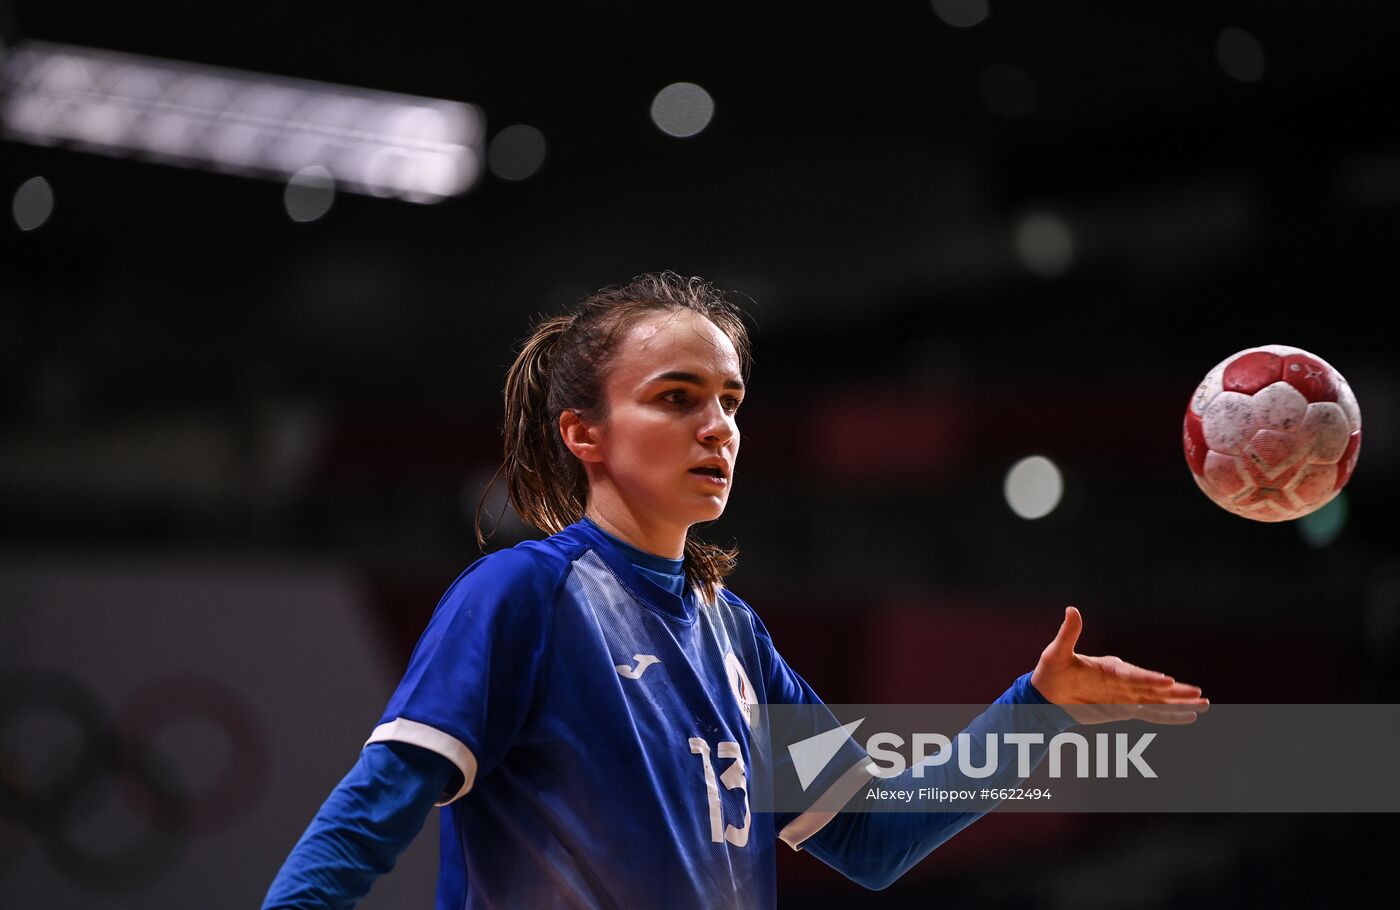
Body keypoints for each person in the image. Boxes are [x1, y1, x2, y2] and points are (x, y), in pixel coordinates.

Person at [263, 272, 1207, 909]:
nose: (718, 427)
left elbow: (871, 842)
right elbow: (364, 817)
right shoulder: (523, 596)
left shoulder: (735, 636)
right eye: (677, 397)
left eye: (731, 401)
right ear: (585, 434)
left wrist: (1038, 709)